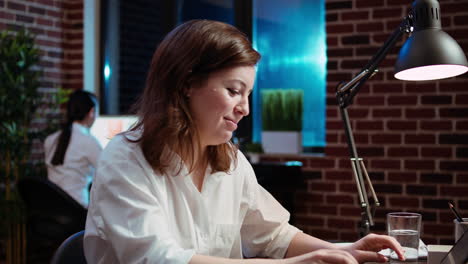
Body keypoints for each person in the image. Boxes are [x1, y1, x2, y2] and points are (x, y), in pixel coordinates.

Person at [84, 19, 405, 264]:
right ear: (186, 84)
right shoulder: (126, 158)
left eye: (248, 94)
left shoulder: (231, 160)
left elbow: (273, 234)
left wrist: (342, 249)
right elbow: (161, 259)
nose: (245, 108)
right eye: (234, 90)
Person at [44, 90, 102, 208]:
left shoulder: (50, 140)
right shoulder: (88, 141)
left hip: (51, 211)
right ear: (91, 112)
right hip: (77, 211)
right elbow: (109, 172)